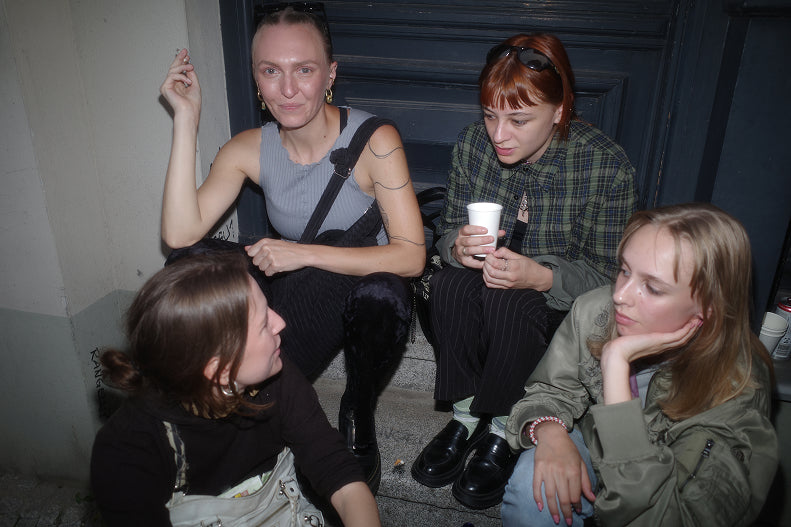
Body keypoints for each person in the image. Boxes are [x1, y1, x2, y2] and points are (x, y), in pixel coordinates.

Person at [158, 3, 425, 492]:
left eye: (304, 69)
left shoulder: (375, 141)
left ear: (330, 74)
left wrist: (303, 253)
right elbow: (179, 235)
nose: (287, 89)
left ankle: (356, 408)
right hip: (296, 292)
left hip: (357, 290)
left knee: (382, 295)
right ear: (256, 79)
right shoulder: (248, 147)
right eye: (271, 71)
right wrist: (186, 119)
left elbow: (411, 256)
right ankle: (234, 394)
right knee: (187, 263)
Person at [410, 33, 638, 509]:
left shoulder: (604, 167)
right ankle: (465, 416)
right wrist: (457, 244)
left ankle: (502, 427)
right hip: (481, 290)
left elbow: (609, 278)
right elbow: (447, 229)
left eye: (518, 119)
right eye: (490, 115)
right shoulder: (473, 145)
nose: (499, 134)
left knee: (510, 300)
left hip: (552, 309)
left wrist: (542, 277)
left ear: (559, 110)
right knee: (448, 284)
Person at [501, 203, 778, 526]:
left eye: (653, 288)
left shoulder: (735, 389)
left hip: (660, 492)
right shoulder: (596, 311)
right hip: (594, 444)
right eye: (625, 271)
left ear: (708, 307)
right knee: (532, 490)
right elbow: (551, 389)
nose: (620, 296)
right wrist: (549, 432)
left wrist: (615, 364)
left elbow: (663, 517)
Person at [90, 251, 381, 526]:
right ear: (220, 370)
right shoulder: (127, 450)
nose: (281, 323)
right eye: (264, 324)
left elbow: (339, 474)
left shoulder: (277, 379)